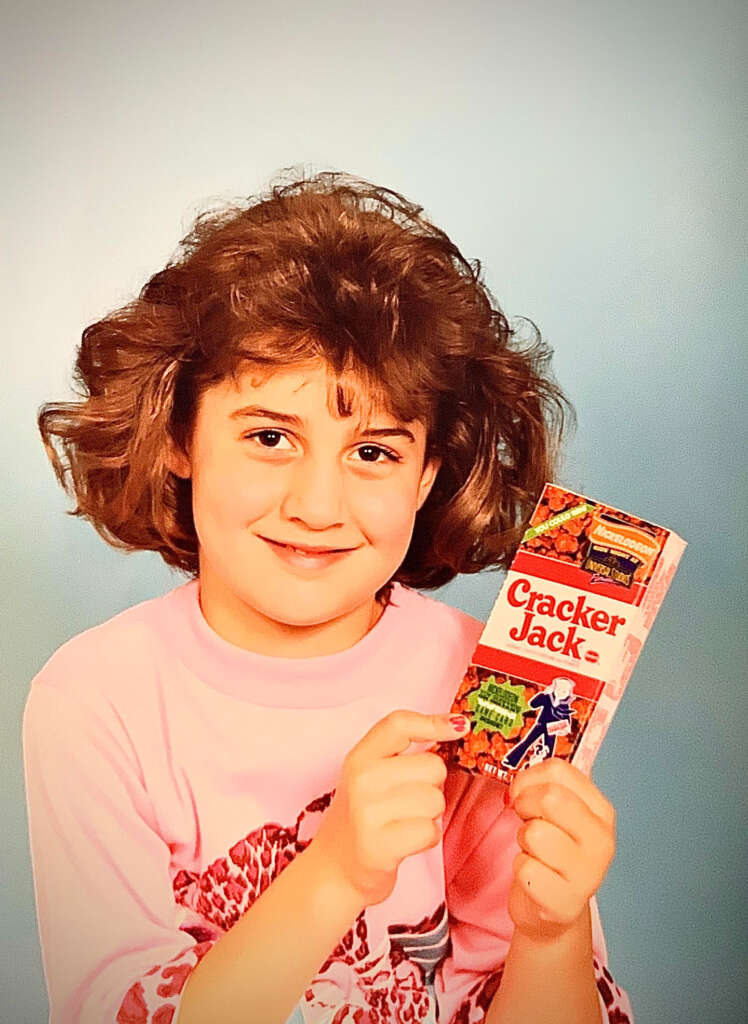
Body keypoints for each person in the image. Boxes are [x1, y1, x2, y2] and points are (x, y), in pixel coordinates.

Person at [23, 170, 634, 1024]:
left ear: (428, 473)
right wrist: (338, 872)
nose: (317, 506)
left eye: (374, 452)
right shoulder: (93, 700)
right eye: (271, 436)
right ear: (178, 438)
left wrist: (549, 932)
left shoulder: (489, 683)